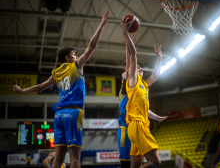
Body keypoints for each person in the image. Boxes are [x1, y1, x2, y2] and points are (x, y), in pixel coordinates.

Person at [12, 10, 110, 168]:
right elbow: (92, 46)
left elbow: (40, 87)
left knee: (57, 159)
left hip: (59, 116)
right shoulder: (76, 66)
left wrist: (22, 90)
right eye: (74, 54)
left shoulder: (56, 73)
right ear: (68, 57)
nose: (76, 56)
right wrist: (101, 25)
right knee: (75, 159)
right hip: (73, 113)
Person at [120, 17, 163, 168]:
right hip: (137, 125)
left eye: (140, 68)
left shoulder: (143, 84)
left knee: (136, 165)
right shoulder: (132, 81)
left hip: (141, 125)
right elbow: (133, 55)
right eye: (137, 68)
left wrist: (159, 59)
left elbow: (156, 76)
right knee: (156, 162)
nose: (140, 69)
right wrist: (125, 34)